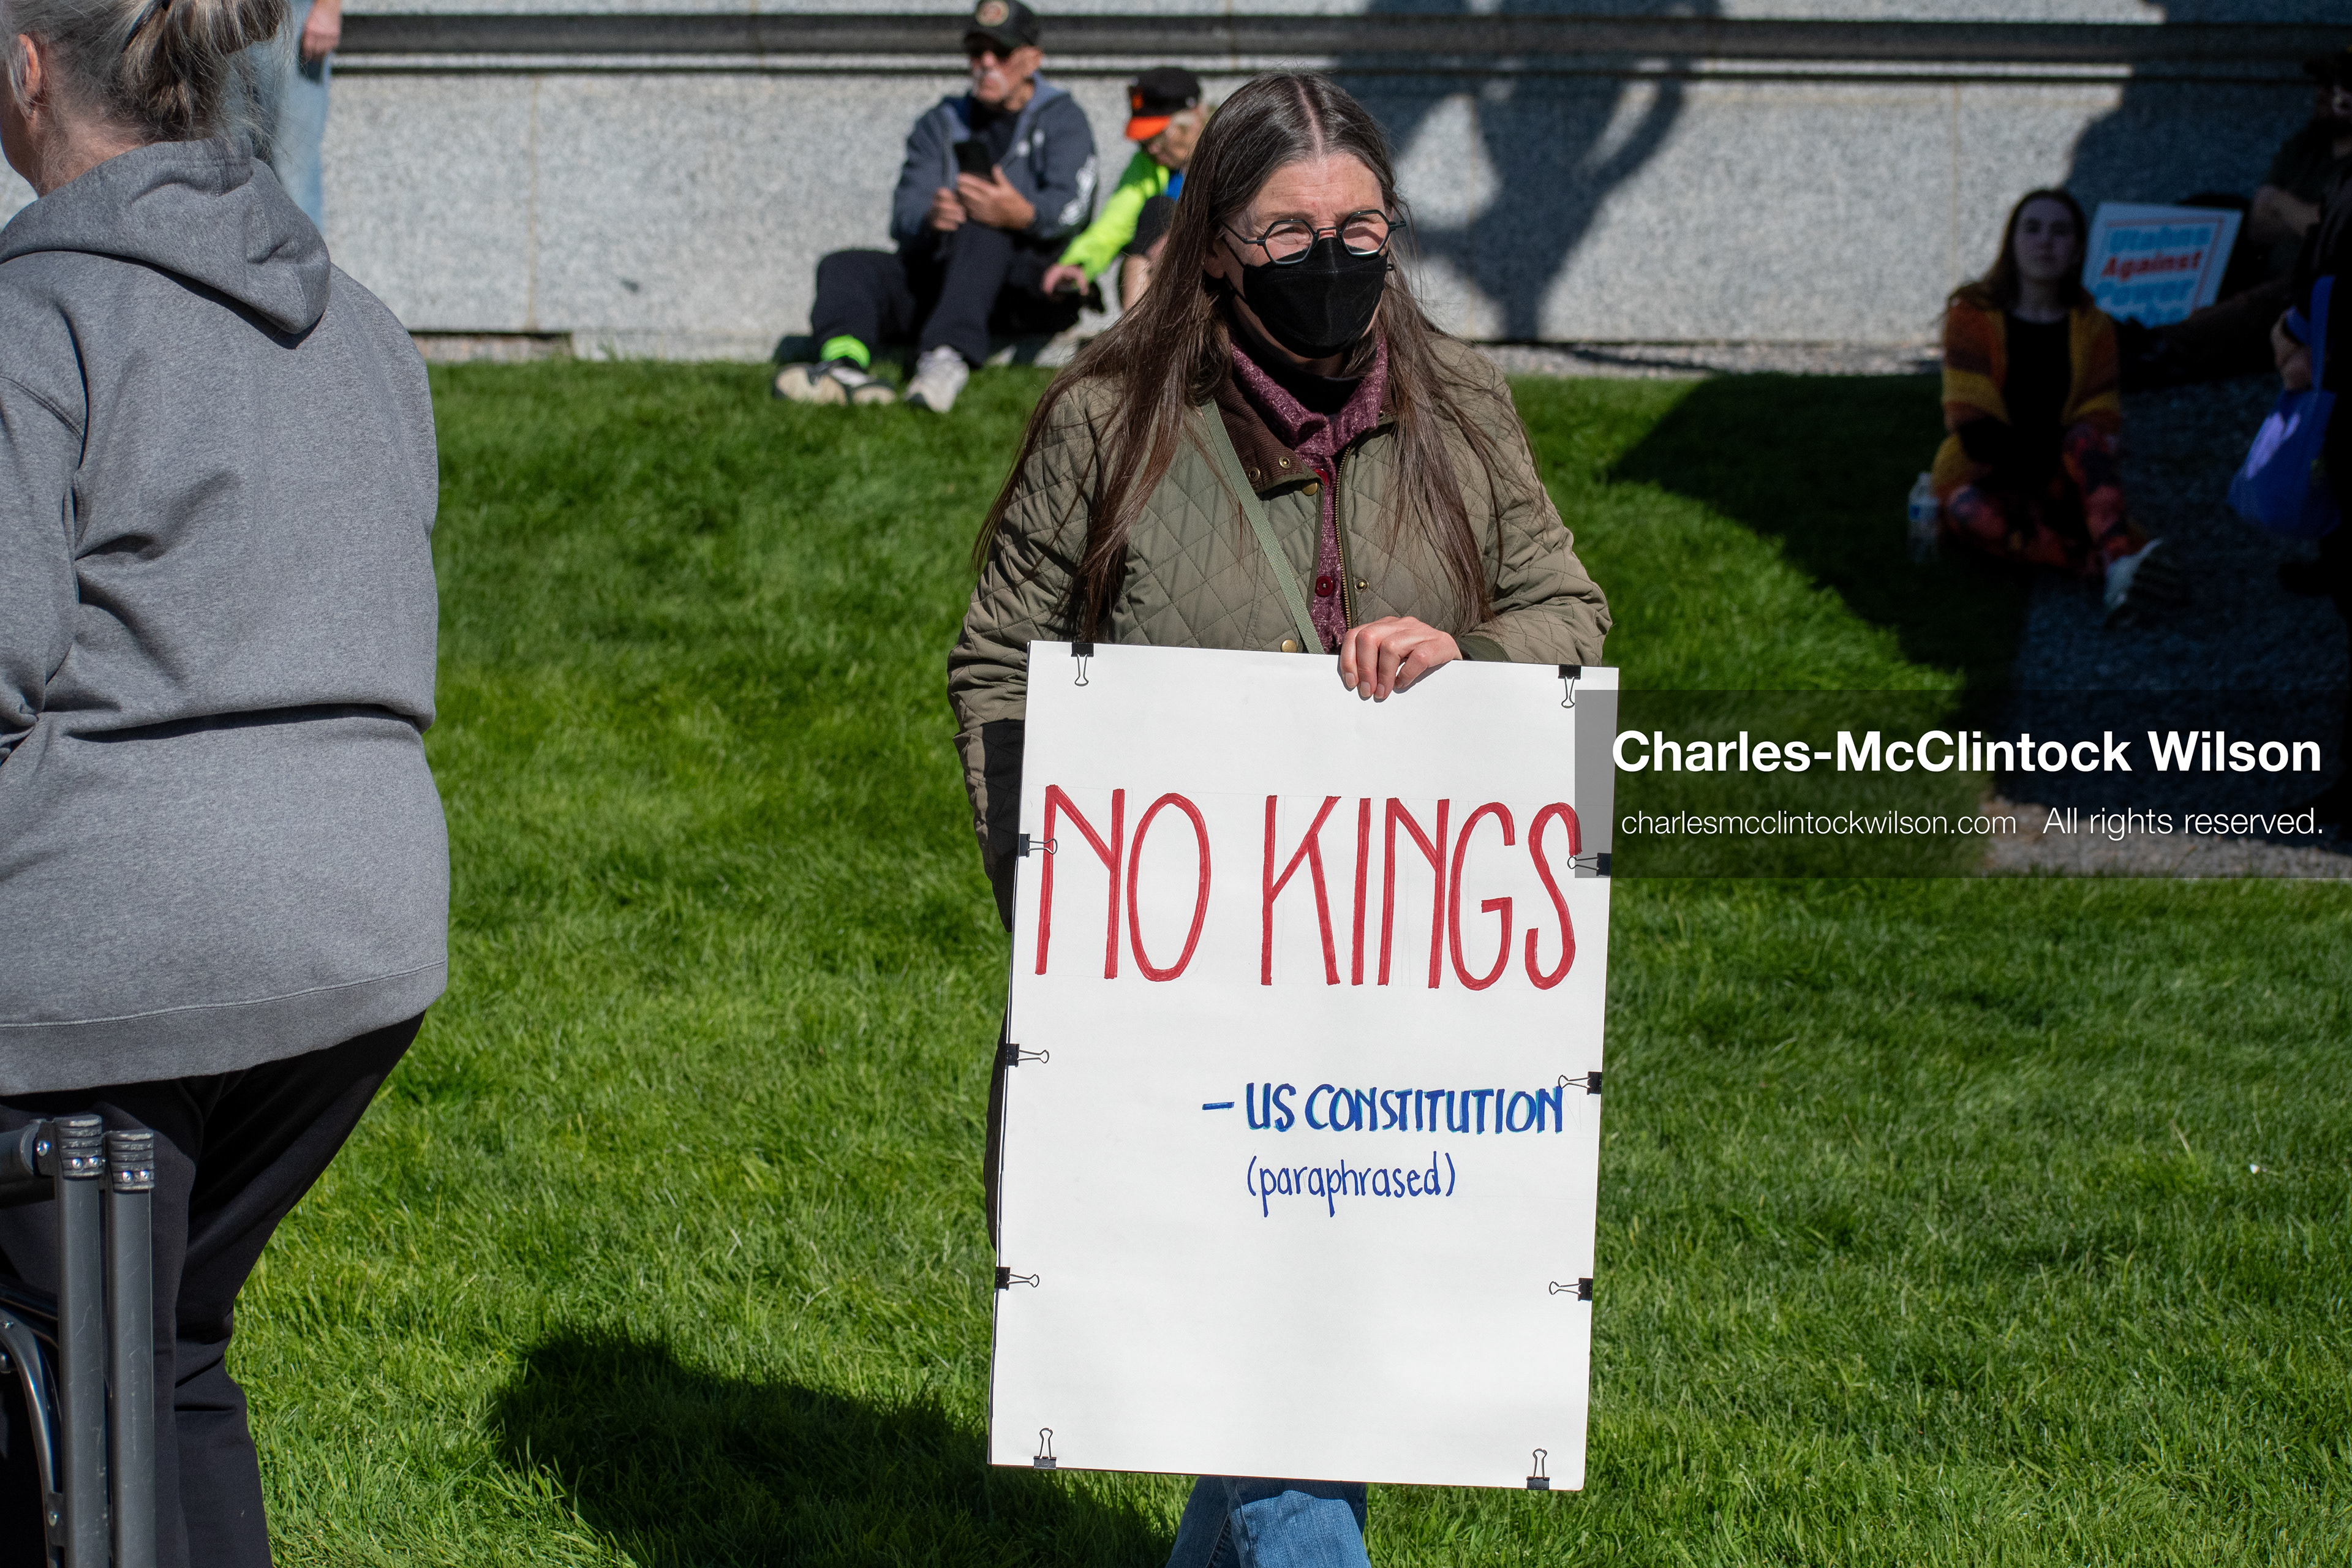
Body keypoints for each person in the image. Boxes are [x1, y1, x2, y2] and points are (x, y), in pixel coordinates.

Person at [947, 72, 1608, 1566]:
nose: (1332, 256)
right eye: (1288, 230)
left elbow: (1571, 610)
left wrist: (1477, 656)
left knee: (1291, 1393)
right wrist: (1056, 911)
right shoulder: (1108, 421)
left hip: (1389, 1021)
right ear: (1216, 242)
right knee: (1285, 1412)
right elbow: (999, 656)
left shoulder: (1464, 405)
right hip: (1174, 1007)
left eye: (1360, 224)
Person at [0, 0, 446, 1556]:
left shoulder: (32, 317)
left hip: (116, 953)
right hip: (357, 943)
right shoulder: (366, 323)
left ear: (26, 67)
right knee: (165, 1348)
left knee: (70, 1382)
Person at [774, 0, 1097, 414]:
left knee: (984, 227)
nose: (985, 63)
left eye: (1000, 53)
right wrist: (932, 217)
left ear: (1032, 60)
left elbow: (1074, 208)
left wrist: (1021, 214)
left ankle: (943, 362)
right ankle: (844, 367)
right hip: (947, 277)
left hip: (1028, 285)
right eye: (975, 52)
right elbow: (904, 214)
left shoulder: (1064, 120)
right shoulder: (940, 122)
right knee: (845, 267)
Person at [1933, 188, 2182, 618]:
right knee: (1965, 511)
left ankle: (2119, 559)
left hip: (2061, 478)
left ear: (2077, 250)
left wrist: (2087, 447)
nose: (2045, 241)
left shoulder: (2094, 327)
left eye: (2060, 232)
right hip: (1988, 472)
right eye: (2032, 229)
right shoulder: (1971, 316)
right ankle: (2099, 566)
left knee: (2088, 439)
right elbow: (1975, 431)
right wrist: (2078, 449)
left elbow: (2100, 419)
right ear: (2012, 242)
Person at [2127, 51, 2352, 387]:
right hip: (2262, 273)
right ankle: (2128, 325)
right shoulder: (2305, 146)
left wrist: (2284, 205)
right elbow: (2258, 224)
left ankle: (2163, 346)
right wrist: (2308, 219)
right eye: (2322, 82)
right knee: (2212, 210)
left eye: (2339, 85)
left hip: (2313, 294)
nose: (2323, 92)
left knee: (2301, 284)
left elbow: (2337, 237)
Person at [1040, 67, 1204, 311]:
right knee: (1153, 214)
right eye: (1143, 142)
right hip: (1163, 280)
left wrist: (1186, 239)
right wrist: (1078, 264)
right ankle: (1137, 332)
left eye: (1157, 138)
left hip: (1214, 277)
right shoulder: (1147, 163)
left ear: (1192, 121)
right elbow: (1115, 223)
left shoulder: (1231, 149)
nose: (1151, 150)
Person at [262, 0, 336, 228]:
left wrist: (328, 6)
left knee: (294, 175)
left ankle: (308, 263)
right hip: (217, 12)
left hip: (293, 13)